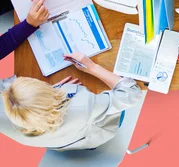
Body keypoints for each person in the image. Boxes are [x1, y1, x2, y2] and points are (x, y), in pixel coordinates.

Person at [0, 52, 142, 150]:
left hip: (62, 142)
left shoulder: (6, 119)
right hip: (92, 133)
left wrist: (49, 92)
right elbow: (132, 93)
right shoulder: (82, 105)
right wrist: (91, 67)